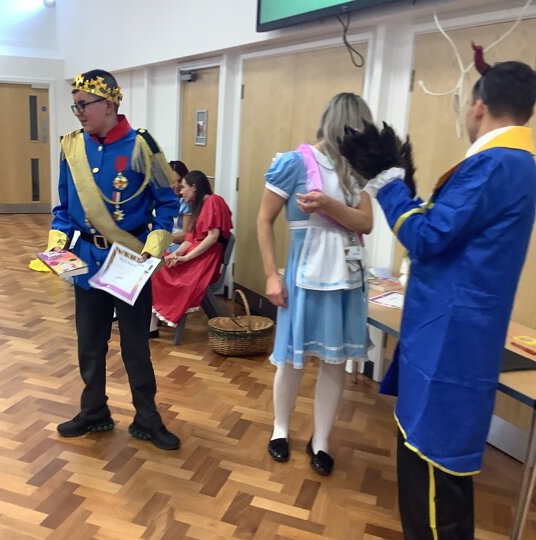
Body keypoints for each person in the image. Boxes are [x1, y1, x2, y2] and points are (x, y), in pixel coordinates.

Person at [338, 53, 536, 538]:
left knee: (431, 486)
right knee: (440, 486)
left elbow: (426, 237)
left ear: (478, 106)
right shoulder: (515, 162)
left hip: (449, 342)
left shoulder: (495, 163)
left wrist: (389, 185)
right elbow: (448, 232)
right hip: (454, 336)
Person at [50, 69, 181, 450]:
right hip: (87, 260)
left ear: (108, 104)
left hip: (129, 261)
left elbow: (167, 204)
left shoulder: (142, 146)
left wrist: (154, 245)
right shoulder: (72, 147)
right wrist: (57, 241)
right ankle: (94, 412)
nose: (78, 113)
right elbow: (63, 206)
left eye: (83, 105)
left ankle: (147, 419)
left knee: (136, 346)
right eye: (75, 106)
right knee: (89, 344)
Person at [256, 93, 374, 475]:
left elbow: (365, 223)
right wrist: (271, 275)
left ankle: (321, 440)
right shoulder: (294, 163)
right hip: (303, 276)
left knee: (335, 363)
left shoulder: (357, 169)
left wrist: (327, 204)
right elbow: (264, 220)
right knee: (292, 359)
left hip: (346, 280)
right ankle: (280, 428)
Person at [151, 170, 232, 328]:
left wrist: (186, 258)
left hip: (207, 257)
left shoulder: (214, 201)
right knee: (157, 263)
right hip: (197, 253)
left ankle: (154, 322)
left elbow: (212, 236)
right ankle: (152, 322)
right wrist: (175, 254)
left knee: (162, 270)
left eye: (183, 187)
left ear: (194, 187)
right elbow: (189, 240)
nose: (181, 192)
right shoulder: (198, 207)